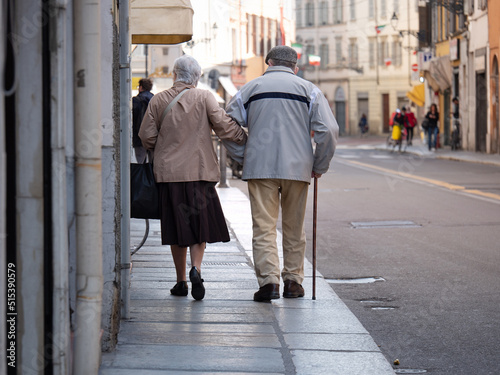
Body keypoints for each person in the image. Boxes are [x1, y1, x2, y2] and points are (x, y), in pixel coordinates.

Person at [224, 46, 339, 302]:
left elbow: (226, 124)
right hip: (298, 168)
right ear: (294, 67)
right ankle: (293, 282)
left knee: (263, 227)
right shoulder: (309, 90)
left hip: (260, 167)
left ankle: (269, 283)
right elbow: (329, 131)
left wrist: (243, 154)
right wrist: (319, 165)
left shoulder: (251, 89)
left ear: (269, 63)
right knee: (294, 227)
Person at [139, 55, 247, 300]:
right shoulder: (205, 97)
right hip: (200, 173)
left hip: (169, 175)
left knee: (177, 228)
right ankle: (196, 269)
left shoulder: (159, 100)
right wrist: (244, 138)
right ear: (197, 77)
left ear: (175, 75)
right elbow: (223, 126)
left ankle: (180, 282)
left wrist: (165, 147)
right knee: (200, 225)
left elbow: (146, 136)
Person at [132, 78, 154, 163]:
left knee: (140, 163)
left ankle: (141, 177)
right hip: (152, 137)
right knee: (153, 165)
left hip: (139, 137)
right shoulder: (155, 99)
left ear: (141, 87)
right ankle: (150, 176)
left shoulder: (135, 101)